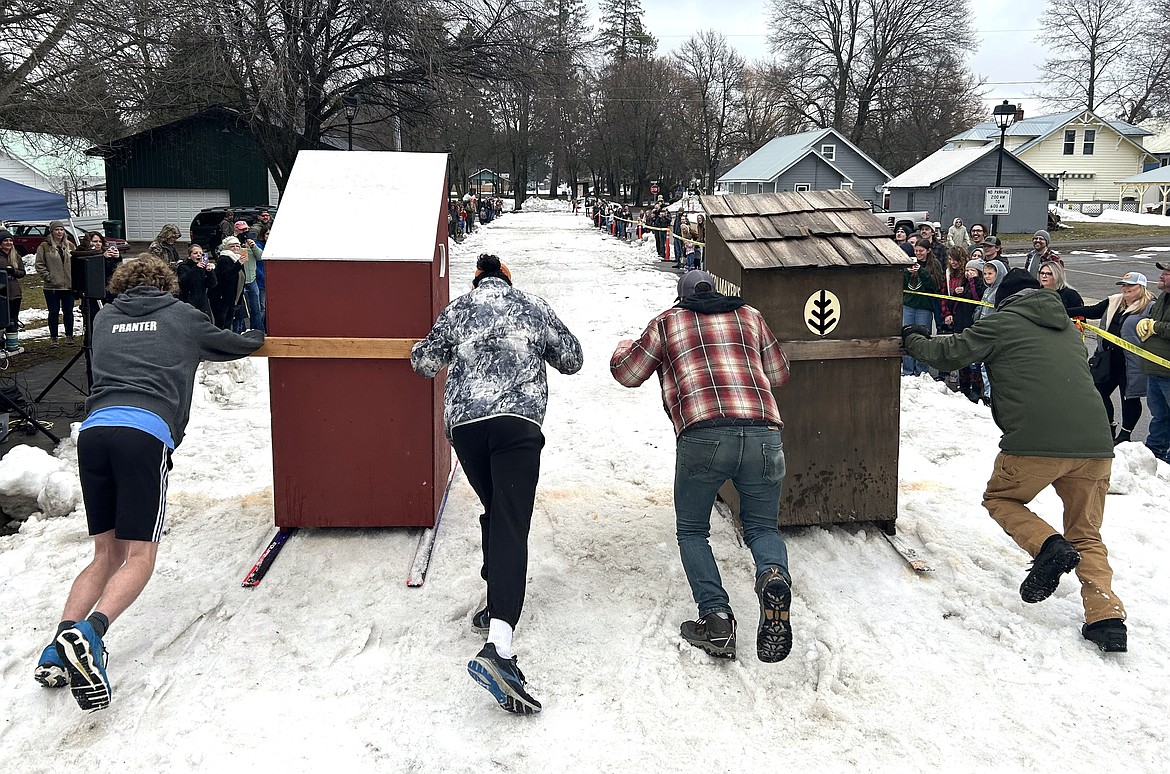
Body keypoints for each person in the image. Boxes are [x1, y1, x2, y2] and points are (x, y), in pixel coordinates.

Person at [32, 256, 264, 710]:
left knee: (105, 553)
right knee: (140, 555)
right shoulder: (182, 316)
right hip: (144, 434)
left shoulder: (105, 317)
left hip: (94, 432)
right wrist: (258, 333)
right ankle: (92, 635)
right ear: (166, 284)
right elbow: (236, 344)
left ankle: (57, 646)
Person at [903, 268, 1128, 653]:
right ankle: (1106, 619)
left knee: (1001, 499)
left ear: (1004, 299)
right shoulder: (1069, 330)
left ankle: (1047, 546)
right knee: (1087, 534)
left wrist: (913, 338)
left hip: (1034, 442)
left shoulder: (1003, 323)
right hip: (1095, 446)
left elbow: (948, 353)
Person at [411, 253, 582, 715]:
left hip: (467, 429)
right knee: (510, 523)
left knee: (496, 511)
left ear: (476, 281)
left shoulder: (458, 310)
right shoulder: (533, 306)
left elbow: (424, 362)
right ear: (507, 279)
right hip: (516, 425)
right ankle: (499, 649)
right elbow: (573, 358)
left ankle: (494, 599)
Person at [610, 270, 794, 664]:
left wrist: (624, 346)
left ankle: (716, 620)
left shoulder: (668, 321)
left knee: (693, 530)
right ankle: (773, 575)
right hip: (764, 433)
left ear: (682, 297)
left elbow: (628, 374)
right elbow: (779, 374)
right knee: (762, 527)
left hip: (703, 435)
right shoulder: (750, 316)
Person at [1068, 272, 1156, 444]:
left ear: (1142, 287)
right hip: (1107, 360)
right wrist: (1062, 310)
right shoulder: (1115, 301)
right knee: (1097, 392)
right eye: (1123, 285)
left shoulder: (1150, 306)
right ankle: (1109, 426)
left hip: (1131, 363)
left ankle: (1125, 434)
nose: (1125, 288)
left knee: (1129, 398)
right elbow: (1092, 311)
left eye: (1130, 285)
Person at [1136, 262, 1170, 464]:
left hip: (1167, 370)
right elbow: (1152, 319)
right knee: (1159, 415)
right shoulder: (1163, 298)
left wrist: (1156, 326)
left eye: (1167, 273)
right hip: (1155, 369)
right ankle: (1155, 453)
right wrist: (1146, 320)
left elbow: (1158, 325)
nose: (1162, 276)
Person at [34, 220, 76, 347]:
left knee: (68, 311)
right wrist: (48, 277)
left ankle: (69, 336)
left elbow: (76, 263)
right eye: (57, 229)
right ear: (52, 231)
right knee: (53, 312)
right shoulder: (44, 246)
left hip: (68, 286)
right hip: (52, 286)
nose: (59, 232)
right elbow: (39, 264)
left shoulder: (70, 246)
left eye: (62, 229)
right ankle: (54, 338)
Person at [902, 242, 940, 375]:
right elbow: (902, 284)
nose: (918, 254)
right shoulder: (909, 263)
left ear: (928, 251)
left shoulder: (934, 265)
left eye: (921, 251)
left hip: (924, 307)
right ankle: (907, 369)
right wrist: (907, 272)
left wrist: (921, 272)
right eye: (916, 251)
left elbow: (934, 285)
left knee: (922, 337)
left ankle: (922, 370)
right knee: (906, 336)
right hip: (908, 305)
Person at [208, 237, 247, 329]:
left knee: (228, 323)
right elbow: (227, 275)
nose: (235, 248)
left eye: (237, 246)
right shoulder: (224, 259)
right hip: (221, 298)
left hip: (232, 298)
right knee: (221, 323)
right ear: (226, 248)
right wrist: (238, 264)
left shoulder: (237, 259)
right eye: (232, 246)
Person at [176, 242, 218, 321]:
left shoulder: (203, 267)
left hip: (202, 300)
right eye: (195, 253)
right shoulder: (183, 267)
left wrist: (210, 272)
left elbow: (212, 284)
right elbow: (184, 283)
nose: (199, 255)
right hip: (189, 300)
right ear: (189, 256)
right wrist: (196, 268)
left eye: (201, 253)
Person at [1, 229, 26, 354]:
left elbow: (22, 272)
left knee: (13, 319)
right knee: (2, 319)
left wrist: (13, 271)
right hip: (2, 292)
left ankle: (12, 343)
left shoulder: (16, 256)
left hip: (15, 292)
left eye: (10, 240)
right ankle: (1, 343)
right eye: (5, 240)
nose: (8, 243)